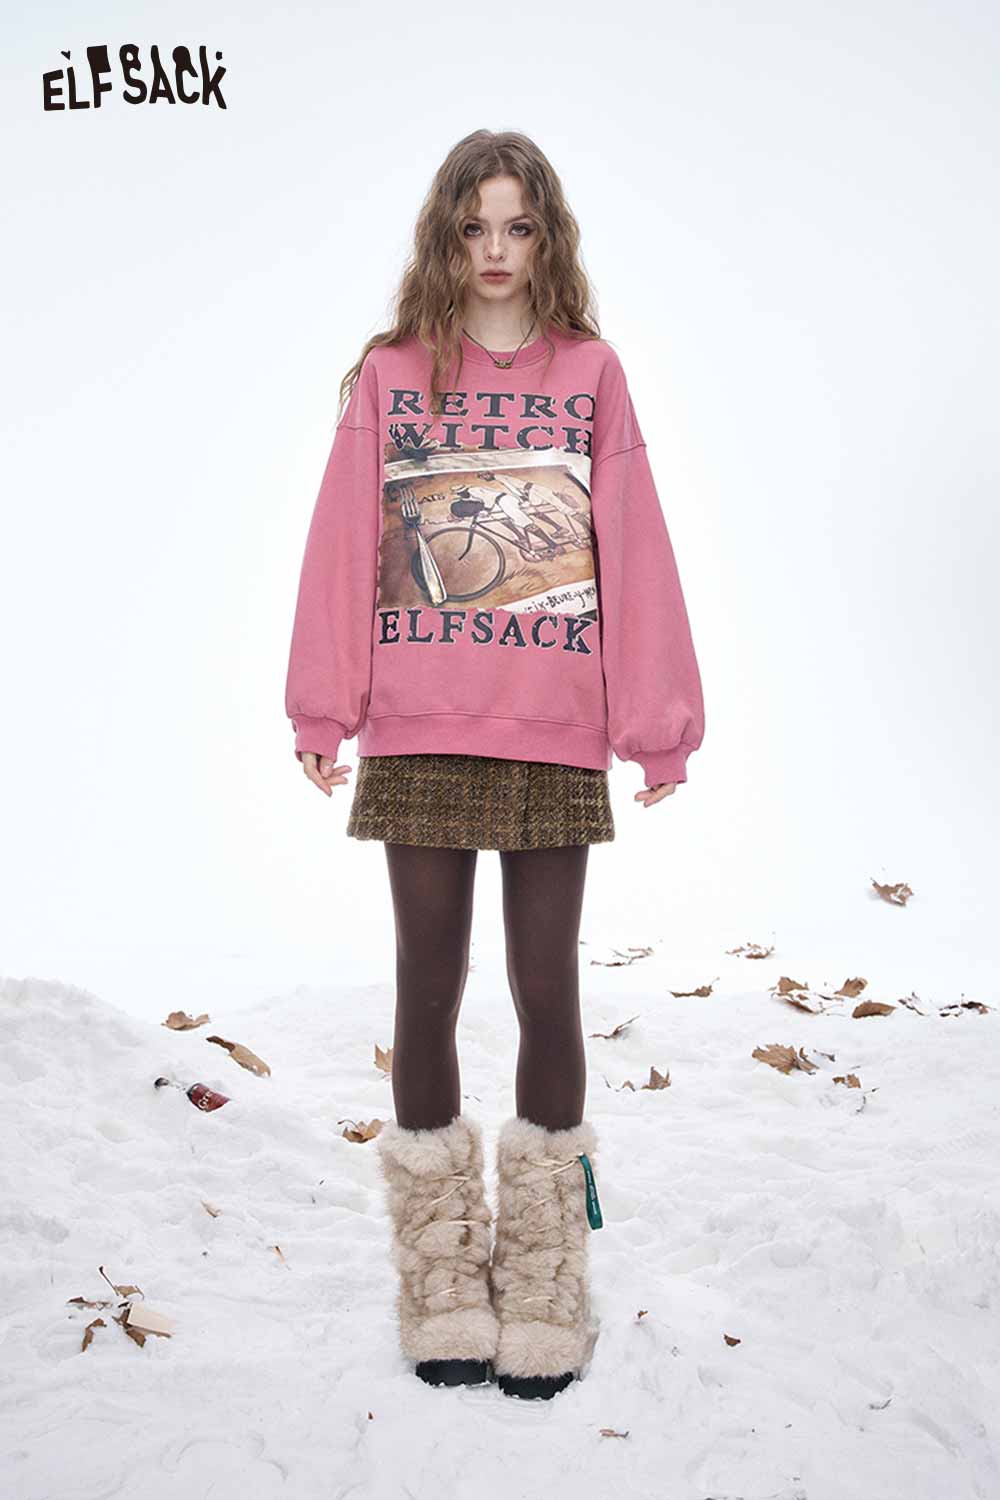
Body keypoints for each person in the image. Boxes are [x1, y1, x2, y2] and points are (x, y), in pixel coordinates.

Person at [284, 129, 705, 1401]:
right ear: (444, 236)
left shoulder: (593, 374)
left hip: (548, 724)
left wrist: (657, 719)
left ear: (548, 236)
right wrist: (324, 708)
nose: (496, 254)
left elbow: (633, 542)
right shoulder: (391, 373)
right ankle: (439, 1276)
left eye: (518, 228)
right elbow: (341, 540)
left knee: (545, 991)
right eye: (475, 229)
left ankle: (542, 1274)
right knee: (426, 989)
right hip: (418, 721)